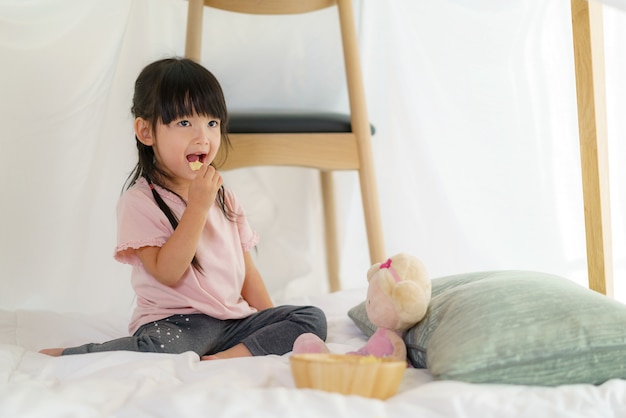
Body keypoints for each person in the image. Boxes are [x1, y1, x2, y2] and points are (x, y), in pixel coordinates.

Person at [39, 57, 327, 360]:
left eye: (212, 123)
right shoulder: (139, 203)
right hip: (180, 324)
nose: (202, 137)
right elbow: (167, 272)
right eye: (185, 123)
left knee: (311, 319)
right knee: (160, 350)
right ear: (146, 132)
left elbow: (248, 272)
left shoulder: (222, 194)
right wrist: (197, 207)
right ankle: (75, 354)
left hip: (233, 321)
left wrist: (269, 321)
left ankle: (227, 358)